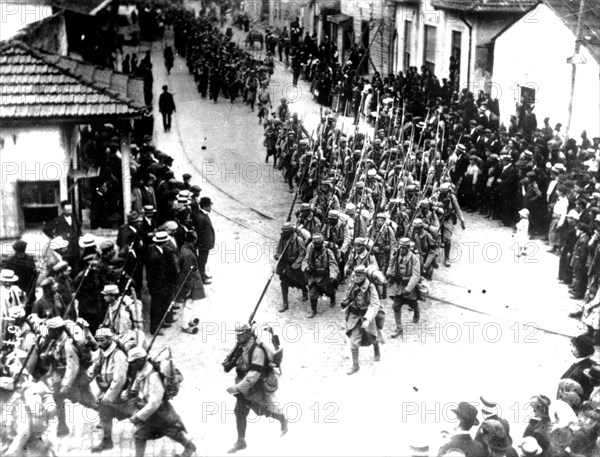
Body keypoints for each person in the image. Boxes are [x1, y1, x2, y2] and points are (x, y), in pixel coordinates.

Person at [226, 324, 288, 454]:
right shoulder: (242, 346)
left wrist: (237, 387)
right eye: (237, 334)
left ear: (248, 334)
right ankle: (241, 441)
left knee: (263, 410)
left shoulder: (257, 350)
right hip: (245, 387)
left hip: (256, 387)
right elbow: (235, 358)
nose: (238, 337)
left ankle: (282, 418)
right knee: (240, 412)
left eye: (241, 334)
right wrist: (229, 362)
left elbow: (254, 374)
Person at [125, 347, 196, 457]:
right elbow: (138, 381)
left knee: (171, 431)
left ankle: (189, 447)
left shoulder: (153, 376)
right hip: (152, 411)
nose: (131, 365)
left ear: (140, 360)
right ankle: (189, 446)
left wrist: (138, 416)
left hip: (160, 412)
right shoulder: (141, 369)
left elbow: (155, 402)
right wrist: (132, 392)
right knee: (143, 434)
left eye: (133, 362)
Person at [40, 316, 96, 437]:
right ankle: (62, 425)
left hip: (74, 375)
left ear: (58, 330)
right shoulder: (56, 340)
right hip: (59, 372)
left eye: (51, 330)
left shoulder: (68, 344)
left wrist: (66, 386)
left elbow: (73, 367)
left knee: (87, 401)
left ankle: (114, 412)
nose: (49, 332)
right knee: (57, 397)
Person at [340, 265, 384, 375]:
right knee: (354, 341)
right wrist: (345, 302)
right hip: (354, 316)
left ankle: (376, 347)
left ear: (364, 276)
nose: (355, 277)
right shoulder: (353, 283)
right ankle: (355, 365)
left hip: (366, 315)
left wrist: (368, 320)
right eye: (355, 275)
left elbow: (375, 304)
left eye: (358, 275)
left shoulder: (371, 286)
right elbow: (348, 296)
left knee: (371, 336)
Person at [91, 327, 128, 453]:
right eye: (98, 341)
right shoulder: (102, 352)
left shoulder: (119, 355)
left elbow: (119, 380)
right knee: (104, 410)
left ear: (109, 339)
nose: (99, 344)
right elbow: (95, 365)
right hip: (106, 389)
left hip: (120, 392)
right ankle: (107, 440)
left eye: (102, 340)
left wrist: (108, 397)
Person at [387, 238, 421, 337]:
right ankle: (399, 328)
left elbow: (416, 275)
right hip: (398, 285)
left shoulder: (414, 258)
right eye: (401, 247)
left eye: (404, 248)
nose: (402, 250)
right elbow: (390, 265)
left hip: (409, 285)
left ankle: (416, 311)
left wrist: (408, 288)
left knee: (412, 303)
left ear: (408, 248)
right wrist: (389, 272)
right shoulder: (396, 255)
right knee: (396, 306)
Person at [302, 233, 340, 318]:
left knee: (329, 291)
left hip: (324, 277)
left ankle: (332, 297)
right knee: (312, 293)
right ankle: (313, 310)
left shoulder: (328, 252)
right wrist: (306, 267)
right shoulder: (310, 251)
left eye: (319, 244)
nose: (317, 245)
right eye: (315, 244)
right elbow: (305, 260)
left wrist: (333, 276)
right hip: (314, 276)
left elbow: (333, 264)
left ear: (322, 243)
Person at [275, 222, 307, 312]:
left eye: (286, 231)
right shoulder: (282, 239)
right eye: (283, 231)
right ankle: (285, 305)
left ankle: (304, 290)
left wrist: (296, 264)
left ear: (290, 231)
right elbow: (278, 249)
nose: (284, 233)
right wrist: (277, 255)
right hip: (285, 265)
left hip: (295, 266)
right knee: (284, 284)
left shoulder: (298, 239)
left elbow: (302, 253)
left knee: (300, 281)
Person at [43, 200, 82, 271]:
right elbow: (46, 229)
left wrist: (79, 236)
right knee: (66, 267)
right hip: (65, 249)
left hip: (76, 248)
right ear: (63, 209)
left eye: (70, 209)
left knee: (77, 267)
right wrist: (56, 237)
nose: (70, 211)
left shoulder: (74, 217)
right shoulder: (58, 220)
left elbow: (78, 228)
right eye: (68, 210)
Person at [2, 240, 37, 313]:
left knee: (28, 306)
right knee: (16, 307)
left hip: (28, 286)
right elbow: (6, 275)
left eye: (22, 253)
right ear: (16, 252)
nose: (21, 255)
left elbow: (34, 274)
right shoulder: (11, 261)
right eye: (19, 253)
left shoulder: (30, 259)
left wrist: (33, 288)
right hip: (16, 287)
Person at [560, 334, 595, 400]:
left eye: (574, 347)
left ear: (579, 351)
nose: (571, 349)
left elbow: (566, 395)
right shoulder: (587, 364)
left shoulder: (579, 371)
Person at [193, 197, 215, 285]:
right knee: (202, 261)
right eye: (209, 206)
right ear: (205, 207)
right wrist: (200, 245)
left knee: (203, 261)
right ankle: (202, 278)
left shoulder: (202, 214)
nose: (211, 208)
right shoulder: (201, 217)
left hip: (205, 244)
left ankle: (203, 274)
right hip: (203, 245)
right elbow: (200, 233)